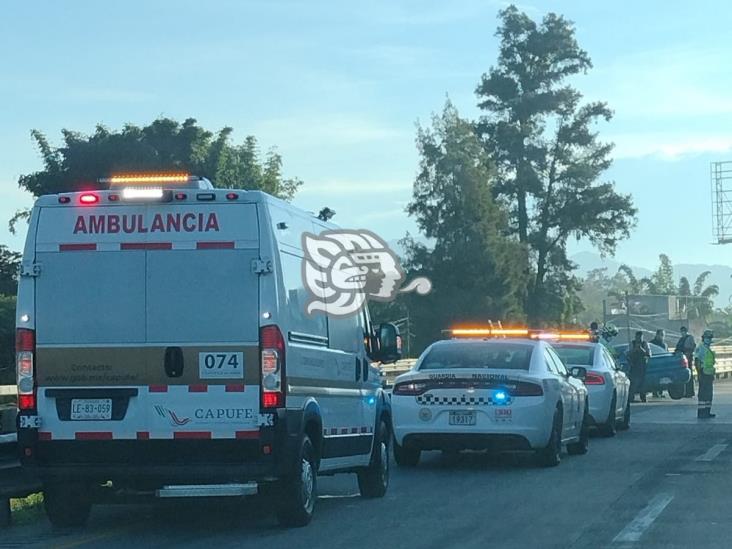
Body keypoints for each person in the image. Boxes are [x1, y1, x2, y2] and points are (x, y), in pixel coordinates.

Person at [694, 329, 716, 419]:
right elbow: (697, 361)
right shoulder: (701, 348)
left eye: (710, 338)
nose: (709, 339)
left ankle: (707, 412)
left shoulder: (708, 349)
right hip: (703, 374)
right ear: (704, 338)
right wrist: (699, 373)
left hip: (709, 374)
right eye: (707, 338)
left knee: (709, 395)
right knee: (703, 394)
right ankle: (701, 413)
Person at [674, 326, 696, 397]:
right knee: (683, 375)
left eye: (684, 331)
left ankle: (690, 392)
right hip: (681, 359)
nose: (682, 333)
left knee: (689, 375)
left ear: (686, 331)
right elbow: (677, 348)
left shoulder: (690, 338)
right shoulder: (681, 339)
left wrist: (687, 353)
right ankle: (685, 392)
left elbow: (692, 347)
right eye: (681, 331)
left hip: (688, 359)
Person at [628, 331, 650, 403]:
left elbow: (649, 354)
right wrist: (635, 350)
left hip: (643, 367)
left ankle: (643, 397)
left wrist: (641, 349)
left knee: (643, 383)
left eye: (640, 337)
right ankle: (631, 398)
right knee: (634, 383)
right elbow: (628, 353)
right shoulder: (632, 343)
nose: (639, 339)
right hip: (634, 367)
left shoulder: (645, 344)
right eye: (638, 337)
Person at [649, 329, 667, 398]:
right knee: (655, 379)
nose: (662, 336)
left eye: (663, 335)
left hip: (662, 364)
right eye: (661, 335)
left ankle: (660, 392)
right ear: (657, 335)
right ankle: (655, 392)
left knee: (662, 379)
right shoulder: (652, 343)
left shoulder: (664, 344)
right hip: (654, 364)